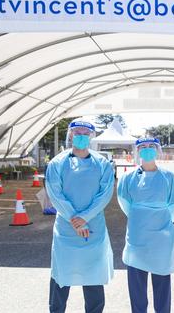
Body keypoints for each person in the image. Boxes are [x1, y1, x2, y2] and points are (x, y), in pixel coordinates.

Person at [117, 138, 174, 313]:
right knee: (137, 286)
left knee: (162, 285)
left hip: (162, 237)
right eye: (142, 147)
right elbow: (125, 204)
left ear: (157, 150)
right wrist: (142, 217)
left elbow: (173, 204)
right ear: (137, 151)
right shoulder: (127, 178)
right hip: (137, 237)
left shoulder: (169, 177)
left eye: (150, 147)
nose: (146, 150)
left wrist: (159, 222)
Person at [45, 119, 115, 313]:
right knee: (61, 275)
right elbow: (54, 193)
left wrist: (84, 217)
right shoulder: (57, 163)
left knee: (93, 275)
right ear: (70, 135)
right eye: (77, 133)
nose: (81, 136)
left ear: (92, 137)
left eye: (86, 133)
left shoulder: (102, 163)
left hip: (93, 227)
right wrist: (75, 219)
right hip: (67, 228)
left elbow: (105, 193)